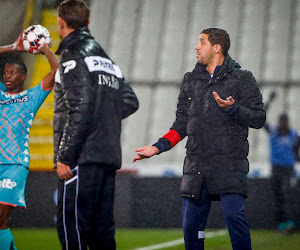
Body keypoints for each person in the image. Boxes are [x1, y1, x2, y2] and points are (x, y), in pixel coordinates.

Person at [133, 27, 266, 250]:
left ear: (217, 48)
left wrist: (234, 109)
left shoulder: (243, 78)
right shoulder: (190, 80)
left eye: (201, 42)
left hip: (230, 165)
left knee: (235, 220)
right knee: (191, 230)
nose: (196, 46)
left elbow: (259, 118)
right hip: (196, 166)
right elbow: (181, 124)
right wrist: (157, 147)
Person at [54, 1, 139, 249]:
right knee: (102, 232)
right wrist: (102, 116)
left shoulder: (72, 54)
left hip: (81, 158)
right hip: (107, 156)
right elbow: (130, 101)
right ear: (88, 23)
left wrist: (65, 156)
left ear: (61, 23)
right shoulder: (106, 59)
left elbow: (80, 106)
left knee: (73, 228)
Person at [0, 35, 58, 249]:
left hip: (15, 164)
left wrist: (45, 50)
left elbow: (56, 73)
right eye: (6, 72)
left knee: (0, 219)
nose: (8, 76)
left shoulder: (31, 97)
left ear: (23, 76)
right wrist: (12, 47)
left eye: (13, 72)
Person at [264, 113, 299, 233]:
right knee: (278, 197)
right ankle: (281, 224)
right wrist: (269, 102)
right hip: (276, 168)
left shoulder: (294, 134)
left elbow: (296, 149)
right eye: (282, 122)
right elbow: (262, 121)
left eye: (285, 122)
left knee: (287, 195)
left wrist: (296, 159)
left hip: (288, 169)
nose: (283, 125)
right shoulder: (274, 132)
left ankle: (290, 223)